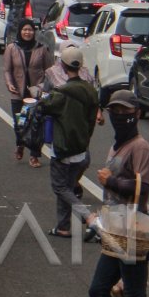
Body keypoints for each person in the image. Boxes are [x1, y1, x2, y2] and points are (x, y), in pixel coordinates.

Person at [86, 91, 149, 297]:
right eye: (114, 111)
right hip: (113, 226)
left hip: (131, 228)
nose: (119, 117)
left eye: (125, 111)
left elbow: (143, 188)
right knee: (99, 290)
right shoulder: (119, 144)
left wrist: (109, 180)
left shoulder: (140, 147)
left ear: (137, 114)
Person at [41, 45, 100, 239]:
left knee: (60, 187)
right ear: (81, 65)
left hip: (63, 147)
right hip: (82, 148)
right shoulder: (91, 90)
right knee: (68, 186)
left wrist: (40, 96)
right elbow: (92, 119)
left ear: (63, 66)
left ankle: (89, 217)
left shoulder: (63, 92)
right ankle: (63, 226)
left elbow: (45, 106)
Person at [3, 18, 54, 167]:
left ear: (34, 32)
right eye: (25, 30)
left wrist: (42, 88)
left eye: (30, 30)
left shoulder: (42, 48)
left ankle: (34, 155)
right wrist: (9, 84)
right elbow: (7, 70)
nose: (27, 32)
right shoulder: (12, 48)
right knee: (20, 123)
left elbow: (50, 72)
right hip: (18, 93)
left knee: (37, 125)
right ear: (20, 31)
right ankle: (20, 144)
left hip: (36, 94)